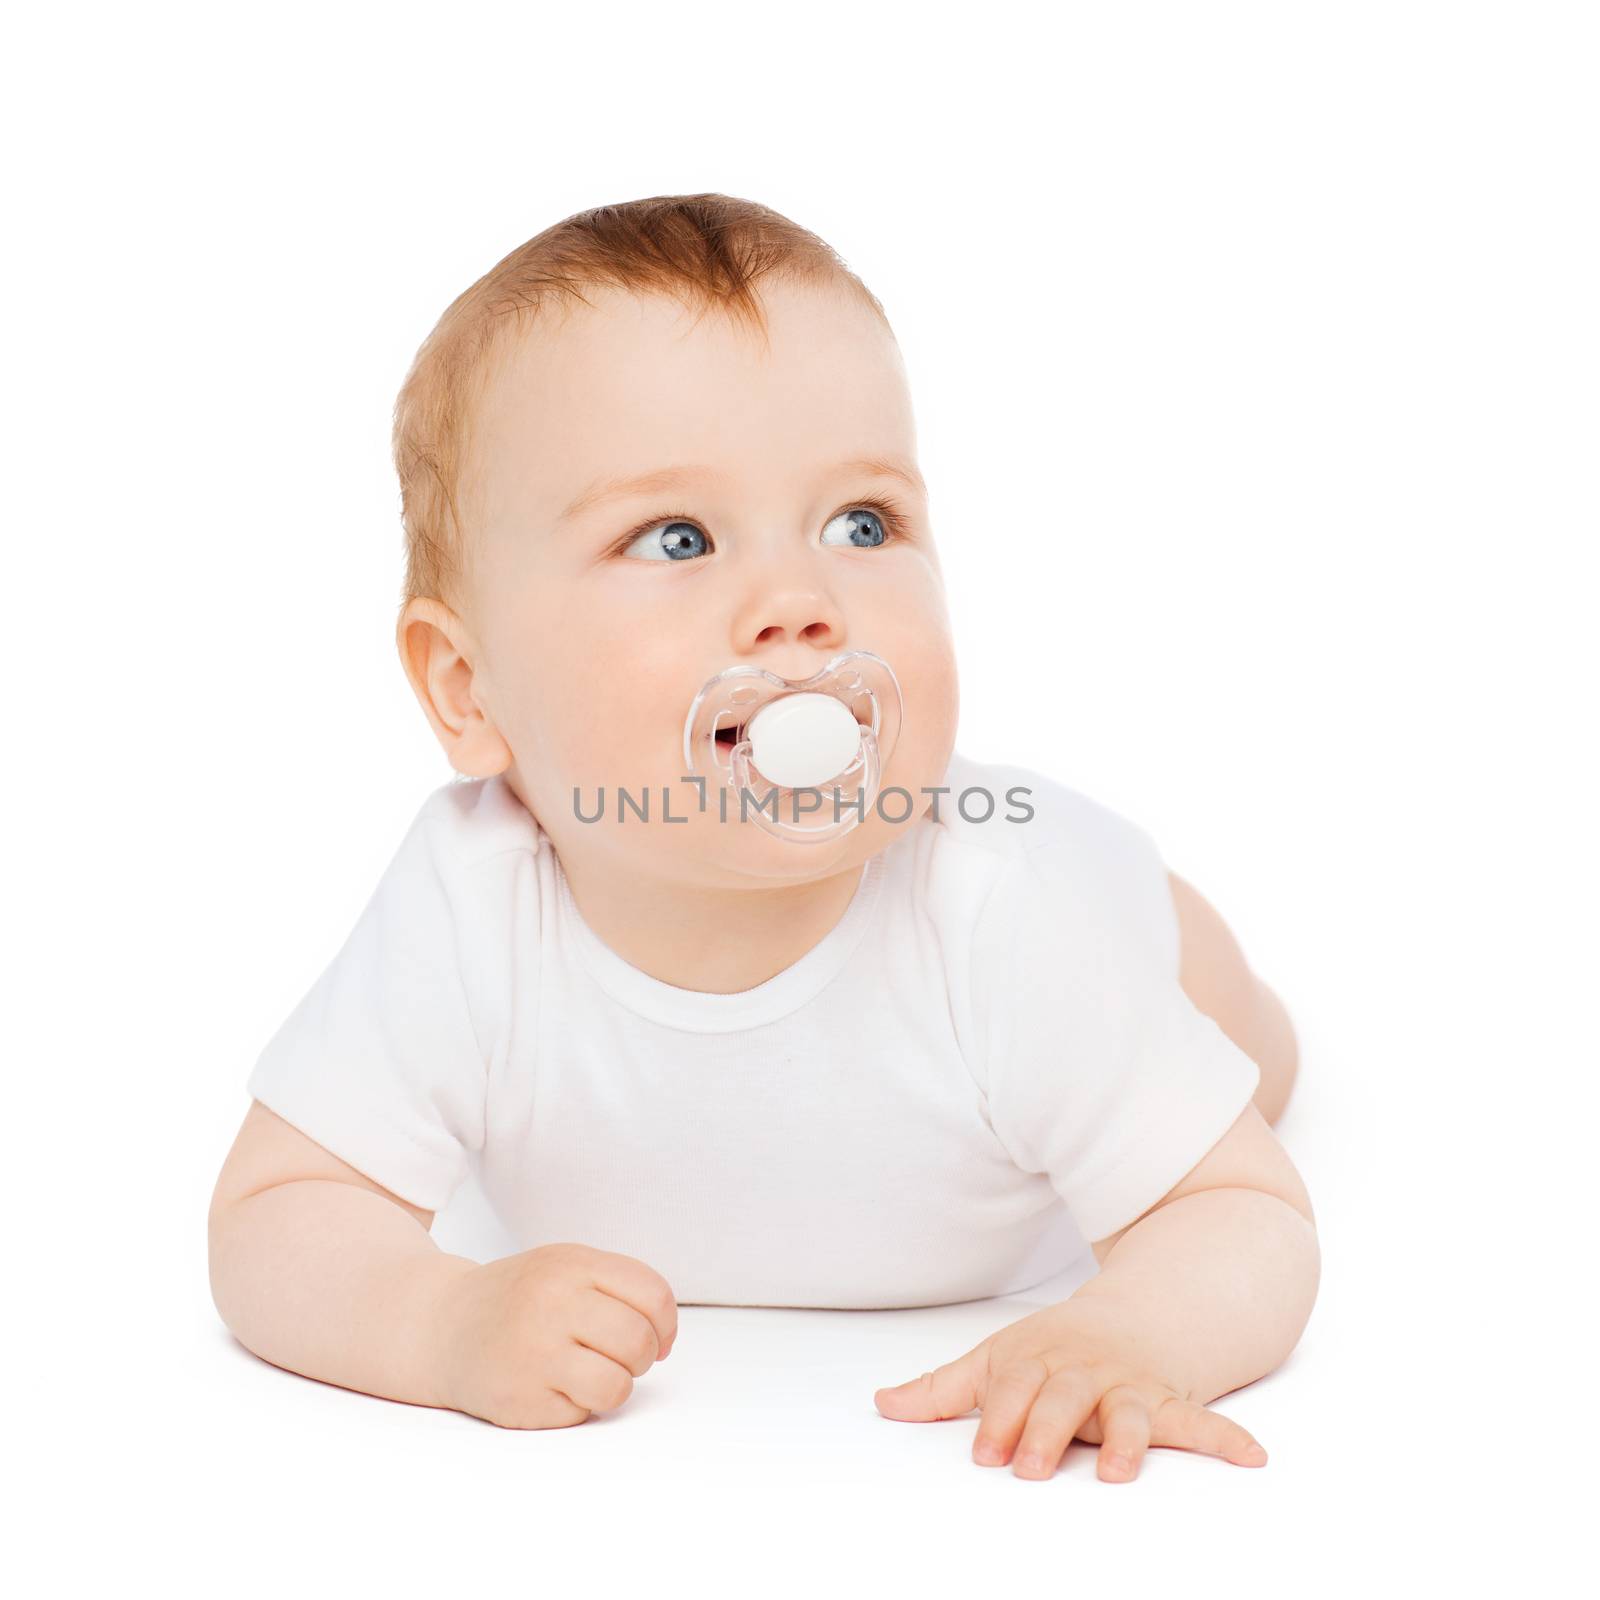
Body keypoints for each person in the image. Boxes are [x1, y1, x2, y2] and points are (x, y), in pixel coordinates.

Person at [208, 193, 1316, 1482]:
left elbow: (1242, 1211)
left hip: (1112, 916)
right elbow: (274, 1215)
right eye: (676, 538)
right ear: (469, 689)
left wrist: (1129, 1328)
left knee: (1246, 1049)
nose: (799, 603)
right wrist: (438, 1321)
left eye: (863, 524)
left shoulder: (1001, 910)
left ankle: (1225, 991)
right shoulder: (468, 903)